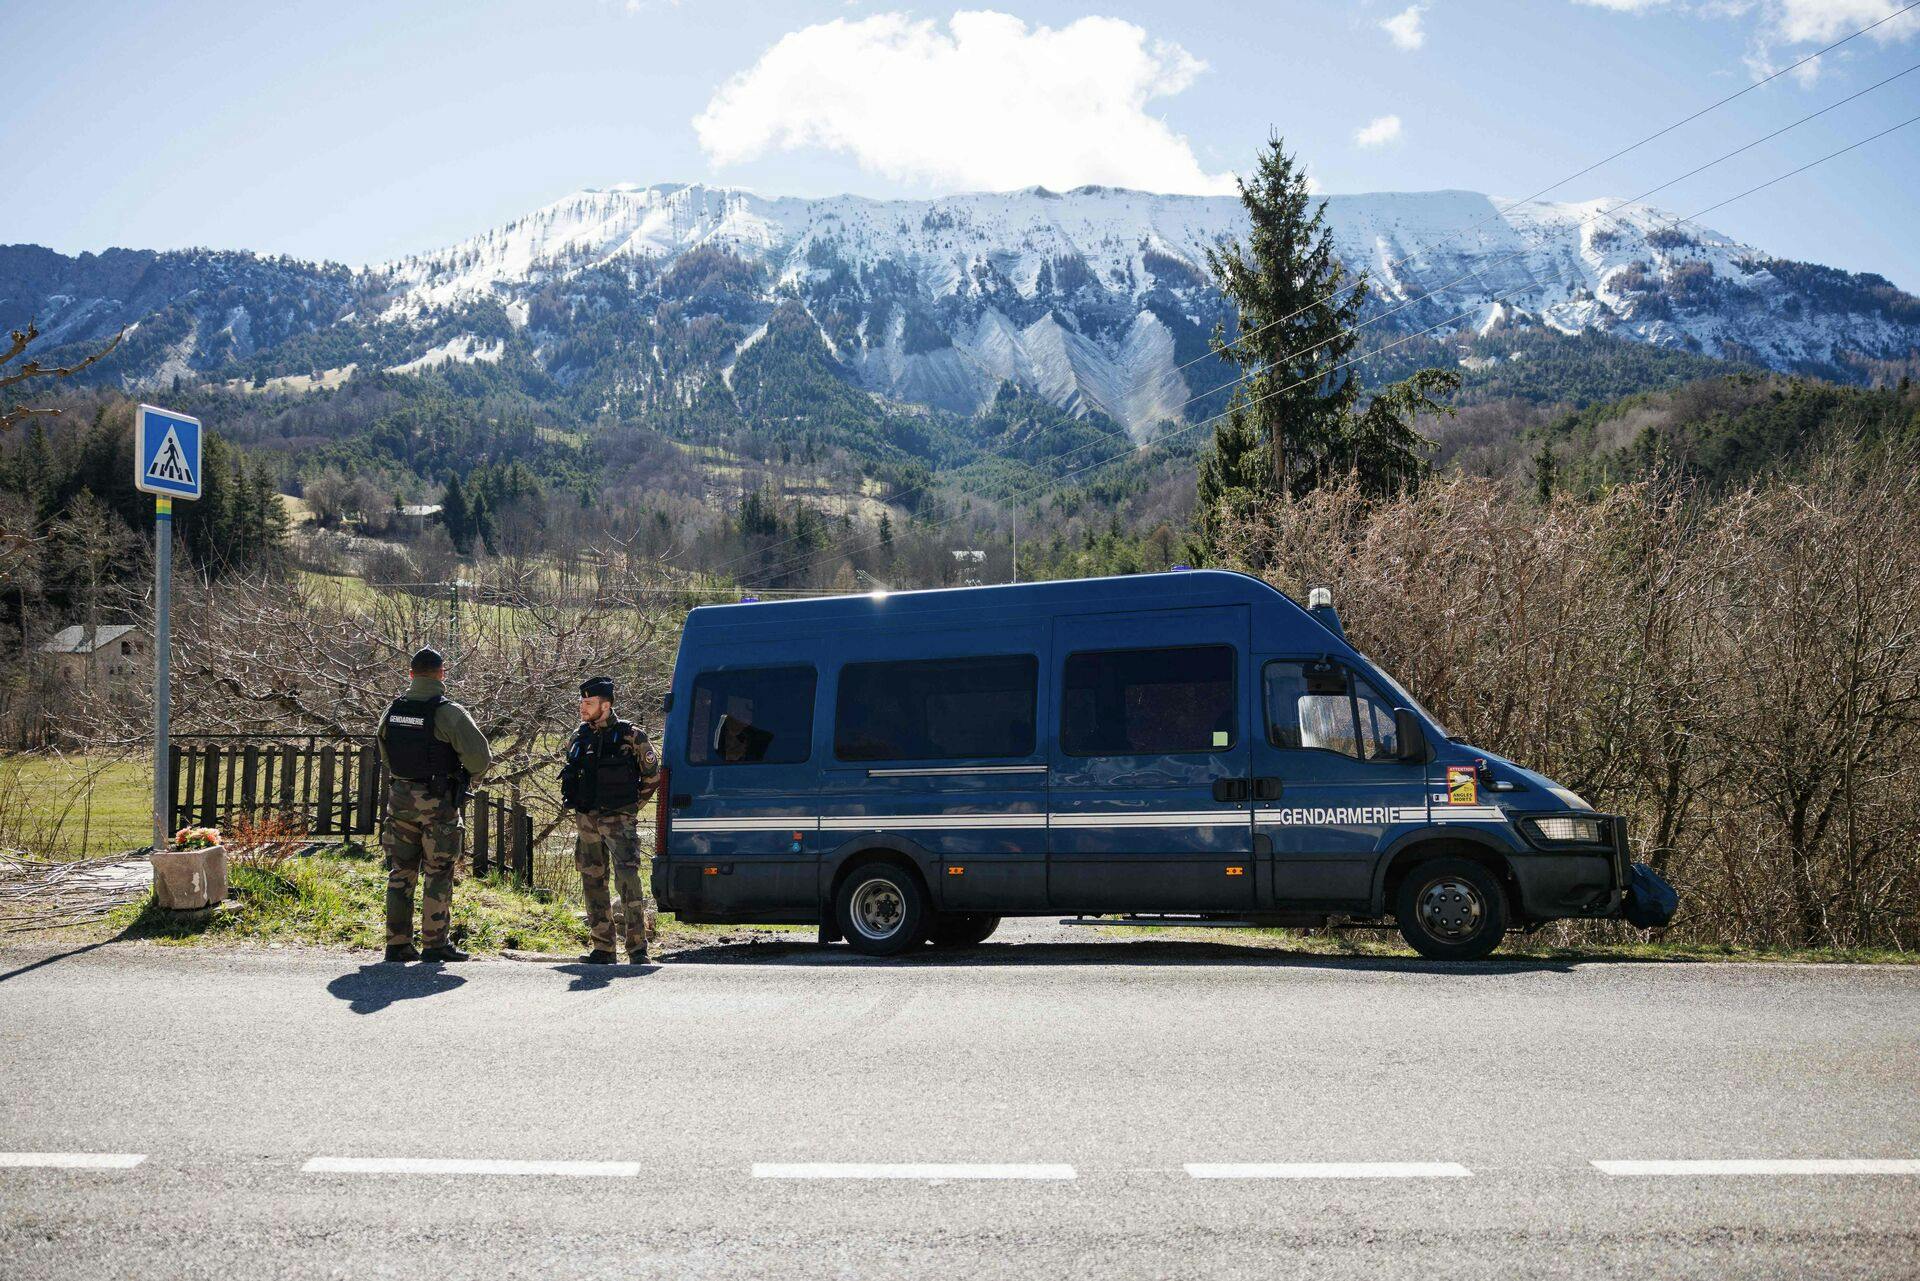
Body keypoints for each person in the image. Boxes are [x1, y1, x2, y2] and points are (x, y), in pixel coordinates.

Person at [375, 647, 491, 963]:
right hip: (438, 802)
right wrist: (467, 778)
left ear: (411, 675)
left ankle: (397, 944)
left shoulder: (392, 710)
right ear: (442, 673)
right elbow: (480, 757)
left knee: (401, 871)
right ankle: (435, 943)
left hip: (399, 801)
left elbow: (383, 750)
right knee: (438, 870)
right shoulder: (448, 712)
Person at [561, 676, 661, 964]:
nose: (582, 707)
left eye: (588, 702)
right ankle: (603, 948)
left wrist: (630, 808)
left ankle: (637, 949)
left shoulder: (632, 735)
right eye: (581, 701)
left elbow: (652, 777)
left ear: (606, 705)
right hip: (587, 822)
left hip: (619, 821)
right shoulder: (579, 736)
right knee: (593, 882)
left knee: (628, 884)